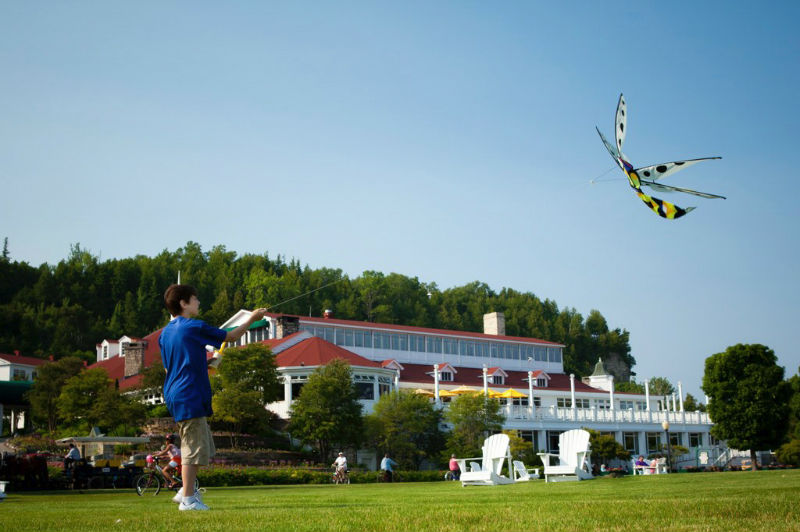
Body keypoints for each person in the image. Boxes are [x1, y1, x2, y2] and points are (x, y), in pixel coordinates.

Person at [159, 284, 267, 511]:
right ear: (183, 303)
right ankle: (188, 500)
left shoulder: (165, 333)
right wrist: (253, 318)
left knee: (203, 445)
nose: (199, 302)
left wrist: (205, 364)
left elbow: (172, 368)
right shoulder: (193, 326)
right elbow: (232, 335)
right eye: (195, 299)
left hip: (176, 393)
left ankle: (184, 491)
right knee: (192, 448)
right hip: (189, 394)